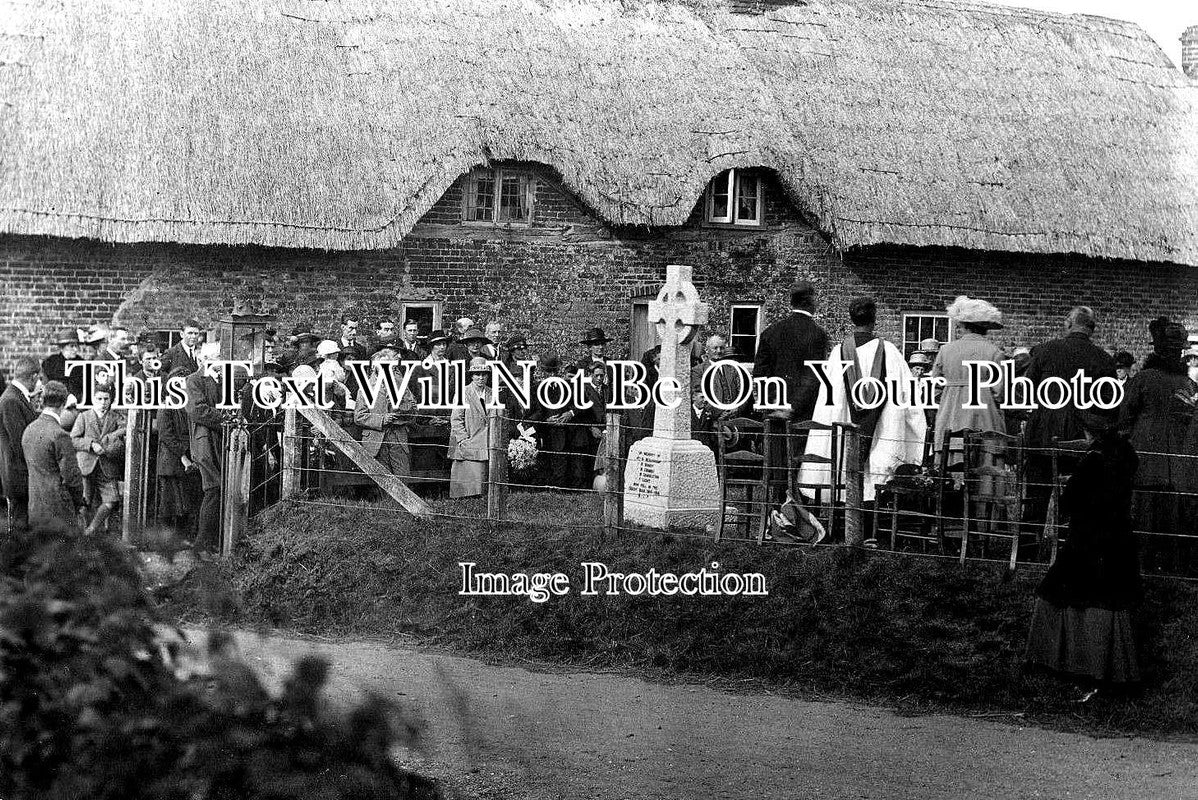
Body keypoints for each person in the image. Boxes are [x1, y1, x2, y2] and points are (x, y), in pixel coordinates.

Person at [1025, 415, 1140, 692]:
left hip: (1087, 540)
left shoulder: (1093, 460)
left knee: (1057, 594)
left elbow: (1068, 502)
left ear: (1090, 433)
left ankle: (1064, 662)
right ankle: (1109, 667)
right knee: (1108, 599)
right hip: (1118, 542)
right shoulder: (1125, 455)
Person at [800, 297, 927, 546]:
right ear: (874, 319)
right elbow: (908, 397)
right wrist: (917, 426)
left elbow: (828, 397)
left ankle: (840, 528)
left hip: (843, 432)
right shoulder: (890, 352)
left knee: (843, 469)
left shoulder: (838, 354)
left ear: (851, 318)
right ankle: (871, 531)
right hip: (880, 430)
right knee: (874, 473)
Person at [1022, 307, 1118, 534]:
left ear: (1068, 324)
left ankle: (1027, 544)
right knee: (1082, 493)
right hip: (1083, 437)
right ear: (1092, 329)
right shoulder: (1103, 359)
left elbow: (1026, 388)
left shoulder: (1045, 351)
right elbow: (1110, 403)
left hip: (1043, 434)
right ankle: (1073, 541)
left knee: (1037, 491)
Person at [1117, 317, 1192, 545]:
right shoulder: (1187, 384)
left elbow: (1124, 420)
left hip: (1144, 461)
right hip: (1177, 466)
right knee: (1171, 523)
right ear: (1180, 352)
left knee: (1143, 519)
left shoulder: (1142, 379)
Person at [930, 295, 1006, 455]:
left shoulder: (945, 351)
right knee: (985, 466)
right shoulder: (994, 352)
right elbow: (999, 393)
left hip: (951, 417)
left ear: (963, 324)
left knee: (950, 462)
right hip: (984, 417)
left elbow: (936, 388)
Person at [752, 282, 829, 425]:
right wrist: (792, 406)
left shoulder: (770, 332)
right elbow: (814, 375)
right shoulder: (817, 334)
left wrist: (773, 401)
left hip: (773, 411)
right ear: (810, 301)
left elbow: (759, 373)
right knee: (800, 447)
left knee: (773, 446)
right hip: (803, 415)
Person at [21, 381, 86, 535]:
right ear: (63, 403)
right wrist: (78, 504)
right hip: (60, 510)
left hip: (35, 508)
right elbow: (72, 478)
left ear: (42, 402)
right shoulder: (60, 434)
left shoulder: (29, 430)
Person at [70, 382, 126, 536]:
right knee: (84, 502)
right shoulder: (84, 416)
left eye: (106, 399)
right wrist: (91, 444)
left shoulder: (116, 418)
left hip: (107, 466)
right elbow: (73, 439)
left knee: (112, 500)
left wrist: (110, 441)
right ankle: (80, 534)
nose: (103, 403)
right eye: (99, 398)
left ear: (111, 399)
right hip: (87, 466)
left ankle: (91, 529)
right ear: (93, 399)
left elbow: (124, 433)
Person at [186, 342, 226, 554]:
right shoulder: (193, 380)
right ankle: (201, 544)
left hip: (219, 442)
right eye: (218, 356)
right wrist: (225, 419)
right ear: (205, 359)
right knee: (214, 489)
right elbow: (198, 411)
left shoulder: (223, 379)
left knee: (219, 491)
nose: (221, 360)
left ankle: (212, 542)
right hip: (205, 443)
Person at [355, 349, 418, 479]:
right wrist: (382, 419)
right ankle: (385, 500)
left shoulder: (401, 386)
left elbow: (413, 410)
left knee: (403, 475)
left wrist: (400, 410)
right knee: (382, 478)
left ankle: (403, 500)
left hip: (397, 436)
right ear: (374, 367)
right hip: (375, 439)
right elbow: (359, 417)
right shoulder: (366, 388)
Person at [0, 356, 41, 533]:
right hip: (18, 475)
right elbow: (20, 442)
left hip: (20, 474)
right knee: (19, 528)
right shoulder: (11, 400)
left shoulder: (16, 397)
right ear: (33, 377)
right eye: (38, 378)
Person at [156, 366, 197, 535]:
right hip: (171, 461)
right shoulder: (167, 406)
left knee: (183, 504)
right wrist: (183, 456)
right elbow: (167, 435)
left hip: (182, 459)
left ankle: (179, 539)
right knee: (169, 504)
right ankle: (166, 541)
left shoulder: (186, 404)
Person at [692, 334, 745, 452]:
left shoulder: (733, 369)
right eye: (715, 348)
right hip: (712, 423)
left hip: (735, 420)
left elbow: (744, 392)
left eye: (722, 348)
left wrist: (737, 409)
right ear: (707, 350)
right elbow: (700, 396)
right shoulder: (699, 371)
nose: (719, 351)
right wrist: (720, 414)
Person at [448, 357, 492, 499]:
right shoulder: (464, 392)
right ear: (471, 376)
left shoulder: (492, 393)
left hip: (486, 441)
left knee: (484, 481)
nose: (480, 378)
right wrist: (463, 440)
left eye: (484, 374)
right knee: (467, 480)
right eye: (477, 374)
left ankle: (482, 499)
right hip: (469, 440)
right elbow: (456, 419)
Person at [42, 329, 85, 400]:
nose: (75, 349)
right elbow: (45, 386)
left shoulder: (81, 364)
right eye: (71, 346)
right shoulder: (51, 363)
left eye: (76, 346)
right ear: (61, 348)